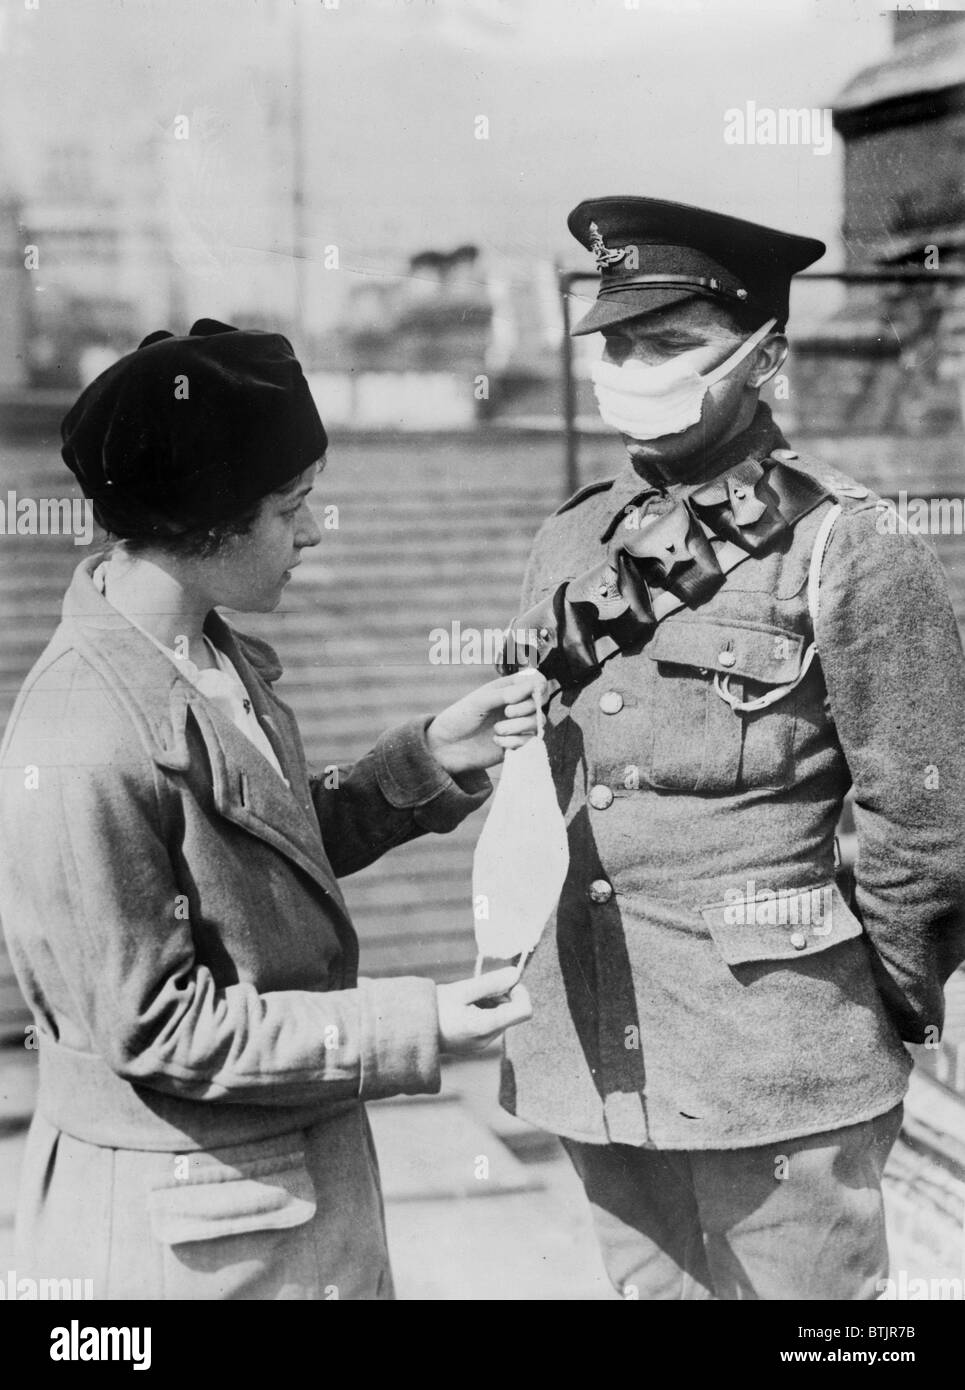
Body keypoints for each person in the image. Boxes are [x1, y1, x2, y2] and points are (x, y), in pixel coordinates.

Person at [0, 318, 537, 1301]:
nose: (317, 529)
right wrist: (412, 1023)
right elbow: (159, 1027)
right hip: (187, 1247)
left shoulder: (201, 648)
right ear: (206, 522)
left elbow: (246, 864)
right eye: (292, 506)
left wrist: (420, 765)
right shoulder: (79, 734)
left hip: (269, 1212)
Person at [497, 196, 965, 1300]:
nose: (632, 366)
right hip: (599, 1058)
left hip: (780, 1072)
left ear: (766, 355)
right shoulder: (570, 539)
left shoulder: (845, 544)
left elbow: (929, 820)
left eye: (669, 342)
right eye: (616, 341)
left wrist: (839, 1006)